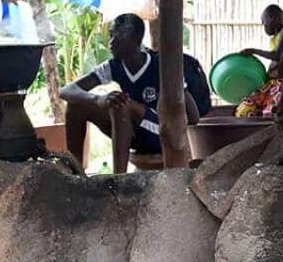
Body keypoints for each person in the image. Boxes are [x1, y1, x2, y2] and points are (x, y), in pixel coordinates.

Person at [60, 13, 209, 173]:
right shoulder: (113, 66)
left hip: (161, 134)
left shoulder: (160, 66)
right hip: (132, 131)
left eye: (116, 37)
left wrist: (172, 110)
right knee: (76, 106)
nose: (110, 43)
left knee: (122, 103)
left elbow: (194, 117)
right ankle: (75, 173)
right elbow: (66, 90)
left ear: (134, 39)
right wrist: (98, 99)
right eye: (110, 36)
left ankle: (118, 178)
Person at [236, 5, 283, 117]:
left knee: (269, 112)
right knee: (246, 107)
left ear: (272, 19)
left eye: (264, 23)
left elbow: (277, 56)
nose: (264, 27)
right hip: (272, 83)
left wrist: (254, 51)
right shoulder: (274, 39)